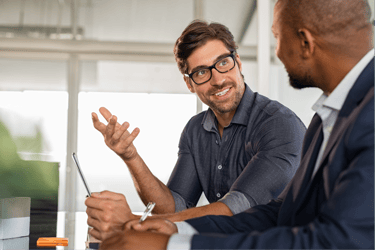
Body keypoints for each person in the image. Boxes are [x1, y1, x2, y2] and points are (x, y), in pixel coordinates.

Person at [98, 0, 375, 249]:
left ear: (304, 41)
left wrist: (168, 243)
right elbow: (280, 214)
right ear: (189, 82)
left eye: (276, 38)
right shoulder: (324, 118)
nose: (277, 52)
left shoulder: (291, 123)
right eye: (203, 72)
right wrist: (173, 228)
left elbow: (339, 241)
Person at [85, 20, 306, 239]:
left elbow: (237, 207)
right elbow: (173, 209)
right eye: (201, 72)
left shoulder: (279, 124)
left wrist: (133, 223)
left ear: (237, 62)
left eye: (223, 63)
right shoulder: (195, 130)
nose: (218, 79)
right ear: (189, 84)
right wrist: (130, 156)